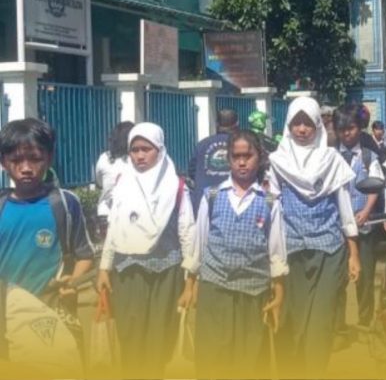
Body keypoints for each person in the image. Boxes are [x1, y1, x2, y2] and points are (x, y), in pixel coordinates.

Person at [267, 97, 360, 375]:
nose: (302, 129)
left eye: (308, 123)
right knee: (290, 315)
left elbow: (345, 208)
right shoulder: (278, 161)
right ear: (288, 126)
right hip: (291, 249)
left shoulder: (332, 160)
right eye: (296, 123)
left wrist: (353, 254)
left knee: (321, 318)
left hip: (329, 251)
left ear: (318, 125)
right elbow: (273, 208)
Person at [97, 123, 197, 378]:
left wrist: (190, 281)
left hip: (166, 274)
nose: (140, 156)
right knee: (130, 335)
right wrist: (104, 268)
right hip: (127, 272)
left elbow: (187, 232)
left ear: (160, 150)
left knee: (160, 336)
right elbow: (115, 227)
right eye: (134, 150)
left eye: (146, 149)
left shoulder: (176, 186)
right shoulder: (123, 183)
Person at [191, 130, 287, 377]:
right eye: (236, 156)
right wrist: (190, 285)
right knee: (213, 357)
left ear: (260, 158)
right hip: (215, 289)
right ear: (228, 159)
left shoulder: (269, 201)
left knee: (250, 359)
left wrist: (278, 292)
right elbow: (198, 245)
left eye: (248, 156)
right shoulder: (212, 196)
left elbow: (276, 251)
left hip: (253, 293)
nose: (242, 162)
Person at [0, 118, 94, 304]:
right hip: (5, 310)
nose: (26, 168)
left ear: (49, 158)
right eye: (16, 160)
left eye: (35, 159)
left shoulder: (65, 204)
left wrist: (72, 282)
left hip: (49, 307)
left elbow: (85, 255)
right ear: (3, 161)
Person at [333, 105, 385, 340]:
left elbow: (376, 185)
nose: (347, 133)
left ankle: (364, 322)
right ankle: (339, 325)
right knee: (338, 277)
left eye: (351, 128)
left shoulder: (368, 157)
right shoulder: (331, 158)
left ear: (359, 128)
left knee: (365, 276)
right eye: (342, 129)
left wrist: (366, 210)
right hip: (337, 228)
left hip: (364, 226)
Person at [188, 109, 238, 212]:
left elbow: (192, 171)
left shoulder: (202, 144)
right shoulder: (241, 145)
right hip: (233, 203)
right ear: (237, 124)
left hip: (203, 203)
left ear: (217, 124)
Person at [95, 121, 134, 219]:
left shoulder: (103, 158)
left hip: (105, 213)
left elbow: (99, 182)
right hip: (129, 215)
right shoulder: (135, 160)